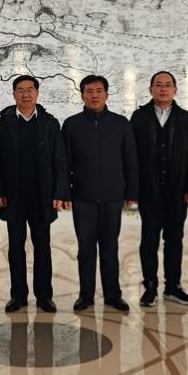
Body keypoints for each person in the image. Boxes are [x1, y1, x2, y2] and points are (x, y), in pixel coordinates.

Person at [0, 75, 71, 314]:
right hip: (13, 197)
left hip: (42, 197)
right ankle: (18, 296)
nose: (25, 94)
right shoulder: (3, 123)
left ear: (37, 93)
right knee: (15, 248)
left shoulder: (50, 123)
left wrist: (59, 192)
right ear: (14, 94)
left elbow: (60, 161)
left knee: (43, 247)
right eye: (20, 90)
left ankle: (44, 296)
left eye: (30, 89)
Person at [62, 75, 138, 314]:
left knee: (110, 247)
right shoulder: (72, 124)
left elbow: (130, 160)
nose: (94, 95)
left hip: (113, 196)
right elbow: (64, 163)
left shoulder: (120, 123)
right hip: (82, 196)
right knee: (85, 249)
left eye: (98, 91)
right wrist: (64, 193)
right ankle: (85, 295)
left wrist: (131, 192)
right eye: (89, 91)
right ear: (82, 95)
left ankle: (113, 295)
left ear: (106, 94)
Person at [129, 70, 188, 308]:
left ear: (175, 90)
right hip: (148, 191)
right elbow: (131, 155)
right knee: (149, 240)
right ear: (150, 89)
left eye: (167, 85)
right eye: (158, 85)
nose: (163, 89)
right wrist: (132, 190)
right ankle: (150, 286)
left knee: (174, 239)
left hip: (177, 192)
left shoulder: (186, 119)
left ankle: (173, 287)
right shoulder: (139, 117)